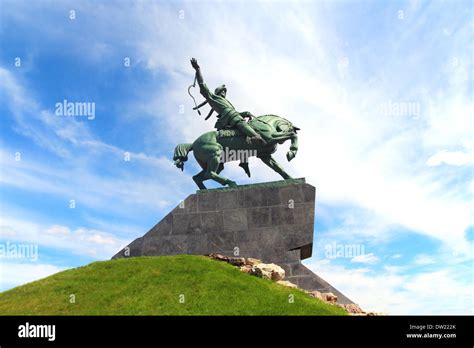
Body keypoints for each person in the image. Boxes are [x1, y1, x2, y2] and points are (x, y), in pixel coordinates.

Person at [190, 58, 266, 144]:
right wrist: (198, 69)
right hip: (230, 118)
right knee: (241, 122)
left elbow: (234, 113)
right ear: (217, 92)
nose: (224, 92)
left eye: (224, 91)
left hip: (233, 116)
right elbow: (202, 85)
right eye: (222, 91)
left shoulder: (225, 101)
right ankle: (255, 136)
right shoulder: (213, 98)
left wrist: (243, 113)